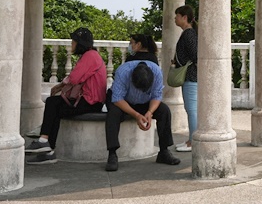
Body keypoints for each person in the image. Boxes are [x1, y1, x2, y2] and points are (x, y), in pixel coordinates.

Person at [25, 27, 106, 164]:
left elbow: (74, 78)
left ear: (80, 43)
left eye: (73, 42)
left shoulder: (90, 56)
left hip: (90, 102)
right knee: (55, 109)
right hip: (91, 101)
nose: (71, 45)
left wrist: (60, 86)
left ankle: (44, 141)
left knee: (52, 103)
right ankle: (48, 149)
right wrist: (61, 86)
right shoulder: (92, 55)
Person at [104, 35, 180, 170]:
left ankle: (164, 151)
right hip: (123, 101)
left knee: (164, 111)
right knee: (113, 114)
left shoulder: (156, 71)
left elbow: (157, 95)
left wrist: (149, 112)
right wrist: (136, 115)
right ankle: (112, 154)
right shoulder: (123, 71)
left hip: (145, 102)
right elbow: (117, 98)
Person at [173, 5, 198, 152]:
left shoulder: (189, 34)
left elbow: (195, 56)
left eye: (177, 16)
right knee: (191, 109)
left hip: (191, 76)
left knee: (192, 110)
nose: (175, 18)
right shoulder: (189, 33)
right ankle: (191, 139)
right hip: (191, 76)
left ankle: (193, 141)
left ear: (184, 18)